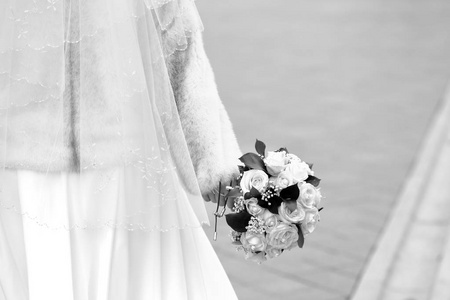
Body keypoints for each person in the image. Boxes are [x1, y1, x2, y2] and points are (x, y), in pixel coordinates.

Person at [0, 0, 240, 299]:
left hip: (32, 168)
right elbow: (178, 46)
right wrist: (212, 162)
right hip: (110, 162)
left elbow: (178, 43)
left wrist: (212, 163)